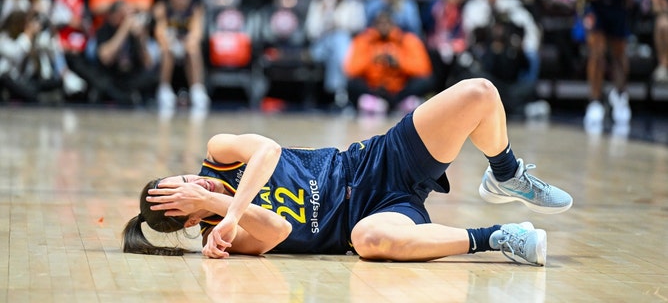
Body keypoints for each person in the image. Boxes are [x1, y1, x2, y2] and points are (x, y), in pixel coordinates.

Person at [122, 78, 573, 266]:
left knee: (479, 92)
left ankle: (506, 172)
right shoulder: (221, 237)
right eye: (184, 197)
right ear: (187, 219)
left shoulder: (218, 153)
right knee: (369, 243)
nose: (192, 183)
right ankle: (497, 236)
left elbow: (269, 151)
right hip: (372, 216)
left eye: (180, 179)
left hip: (376, 161)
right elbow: (277, 230)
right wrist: (218, 209)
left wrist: (227, 204)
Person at [573, 0, 662, 133]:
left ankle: (620, 95)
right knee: (596, 52)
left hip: (618, 7)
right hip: (596, 6)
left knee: (620, 55)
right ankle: (595, 101)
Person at [344, 11, 434, 115]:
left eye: (387, 23)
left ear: (394, 24)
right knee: (352, 83)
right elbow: (351, 69)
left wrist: (399, 63)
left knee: (426, 81)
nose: (384, 26)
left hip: (400, 89)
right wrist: (372, 59)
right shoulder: (363, 40)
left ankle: (400, 103)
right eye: (380, 23)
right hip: (373, 88)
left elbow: (424, 69)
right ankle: (376, 103)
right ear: (374, 25)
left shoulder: (408, 40)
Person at [304, 0, 366, 108]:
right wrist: (326, 12)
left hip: (346, 47)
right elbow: (311, 32)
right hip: (320, 48)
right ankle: (341, 94)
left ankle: (335, 93)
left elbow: (358, 27)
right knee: (338, 42)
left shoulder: (353, 5)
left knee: (339, 40)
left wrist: (338, 25)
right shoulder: (317, 4)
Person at [153, 0, 209, 113]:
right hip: (166, 44)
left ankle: (197, 90)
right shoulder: (162, 8)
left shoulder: (196, 8)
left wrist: (189, 43)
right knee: (167, 50)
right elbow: (160, 33)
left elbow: (197, 32)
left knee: (193, 49)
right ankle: (164, 90)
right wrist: (169, 43)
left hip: (186, 44)